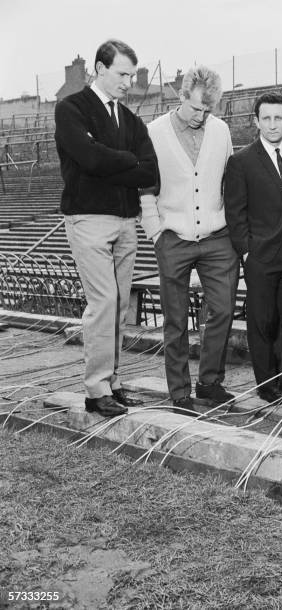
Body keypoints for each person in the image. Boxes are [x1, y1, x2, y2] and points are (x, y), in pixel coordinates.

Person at [55, 39, 157, 417]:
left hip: (126, 220)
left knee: (117, 306)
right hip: (89, 219)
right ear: (99, 68)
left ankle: (112, 382)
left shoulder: (130, 120)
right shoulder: (71, 108)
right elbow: (87, 158)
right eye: (121, 74)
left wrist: (114, 160)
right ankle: (96, 390)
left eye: (132, 75)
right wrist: (127, 161)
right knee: (103, 303)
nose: (128, 82)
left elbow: (150, 171)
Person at [140, 66, 238, 413]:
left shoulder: (221, 130)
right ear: (181, 96)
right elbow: (145, 186)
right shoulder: (154, 132)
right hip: (174, 238)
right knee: (175, 319)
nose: (201, 116)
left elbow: (229, 181)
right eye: (196, 108)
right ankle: (180, 391)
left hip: (216, 236)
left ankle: (210, 382)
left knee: (224, 310)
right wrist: (156, 232)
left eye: (208, 110)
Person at [224, 92, 282, 403]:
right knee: (262, 322)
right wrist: (247, 252)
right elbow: (235, 214)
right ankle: (267, 385)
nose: (273, 124)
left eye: (279, 118)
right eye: (266, 118)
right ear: (256, 121)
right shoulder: (241, 161)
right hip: (261, 256)